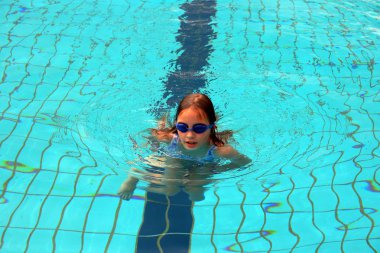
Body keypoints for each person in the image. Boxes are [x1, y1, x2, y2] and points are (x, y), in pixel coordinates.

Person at [118, 93, 251, 201]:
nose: (189, 135)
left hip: (205, 164)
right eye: (182, 127)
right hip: (175, 158)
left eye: (199, 128)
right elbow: (151, 136)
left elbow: (245, 163)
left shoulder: (220, 150)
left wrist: (218, 170)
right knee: (171, 190)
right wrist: (154, 147)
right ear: (176, 125)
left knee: (196, 195)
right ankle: (136, 174)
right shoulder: (171, 138)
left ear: (212, 128)